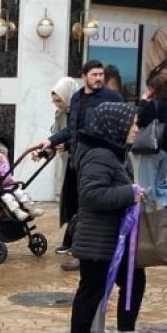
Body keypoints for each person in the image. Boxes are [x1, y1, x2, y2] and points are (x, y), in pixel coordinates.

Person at [67, 101, 157, 333]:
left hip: (117, 236)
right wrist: (129, 193)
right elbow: (92, 194)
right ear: (115, 126)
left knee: (134, 280)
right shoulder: (99, 156)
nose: (135, 129)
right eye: (132, 124)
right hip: (98, 237)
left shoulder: (115, 153)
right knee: (92, 286)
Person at [36, 60, 123, 269]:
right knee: (82, 208)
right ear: (84, 76)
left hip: (101, 162)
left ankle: (88, 254)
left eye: (101, 74)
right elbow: (72, 130)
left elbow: (120, 127)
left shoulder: (112, 98)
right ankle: (82, 252)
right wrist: (51, 141)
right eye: (94, 74)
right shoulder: (76, 99)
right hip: (79, 163)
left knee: (92, 208)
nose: (99, 78)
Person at [133, 72, 167, 224]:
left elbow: (137, 119)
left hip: (151, 150)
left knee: (147, 184)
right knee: (159, 182)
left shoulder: (150, 106)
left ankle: (149, 218)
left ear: (153, 89)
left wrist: (142, 102)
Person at [0, 141, 42, 221]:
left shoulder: (3, 163)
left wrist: (3, 162)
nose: (1, 155)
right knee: (8, 198)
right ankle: (17, 212)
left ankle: (31, 208)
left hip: (10, 185)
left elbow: (7, 173)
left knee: (21, 193)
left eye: (0, 152)